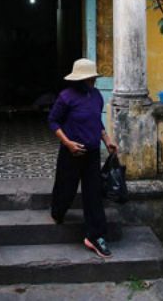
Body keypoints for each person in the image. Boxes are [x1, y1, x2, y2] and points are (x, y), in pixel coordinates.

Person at [48, 58, 118, 259]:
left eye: (93, 78)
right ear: (80, 79)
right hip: (71, 153)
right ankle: (57, 211)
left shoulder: (96, 96)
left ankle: (95, 236)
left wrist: (107, 140)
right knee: (65, 188)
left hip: (93, 152)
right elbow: (53, 122)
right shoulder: (66, 97)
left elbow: (97, 121)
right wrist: (68, 143)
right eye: (89, 78)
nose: (93, 82)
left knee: (93, 194)